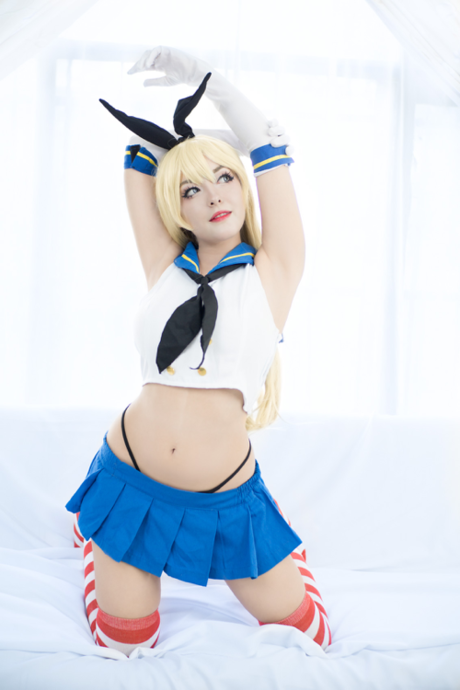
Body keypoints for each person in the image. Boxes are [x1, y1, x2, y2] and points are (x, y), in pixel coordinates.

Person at [66, 46, 331, 656]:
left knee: (309, 634)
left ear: (244, 184)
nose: (213, 195)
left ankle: (279, 536)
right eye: (192, 188)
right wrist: (193, 148)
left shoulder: (274, 271)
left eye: (226, 177)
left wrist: (212, 89)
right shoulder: (163, 264)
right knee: (125, 645)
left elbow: (267, 149)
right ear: (176, 206)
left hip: (224, 499)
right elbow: (138, 162)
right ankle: (95, 536)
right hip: (130, 478)